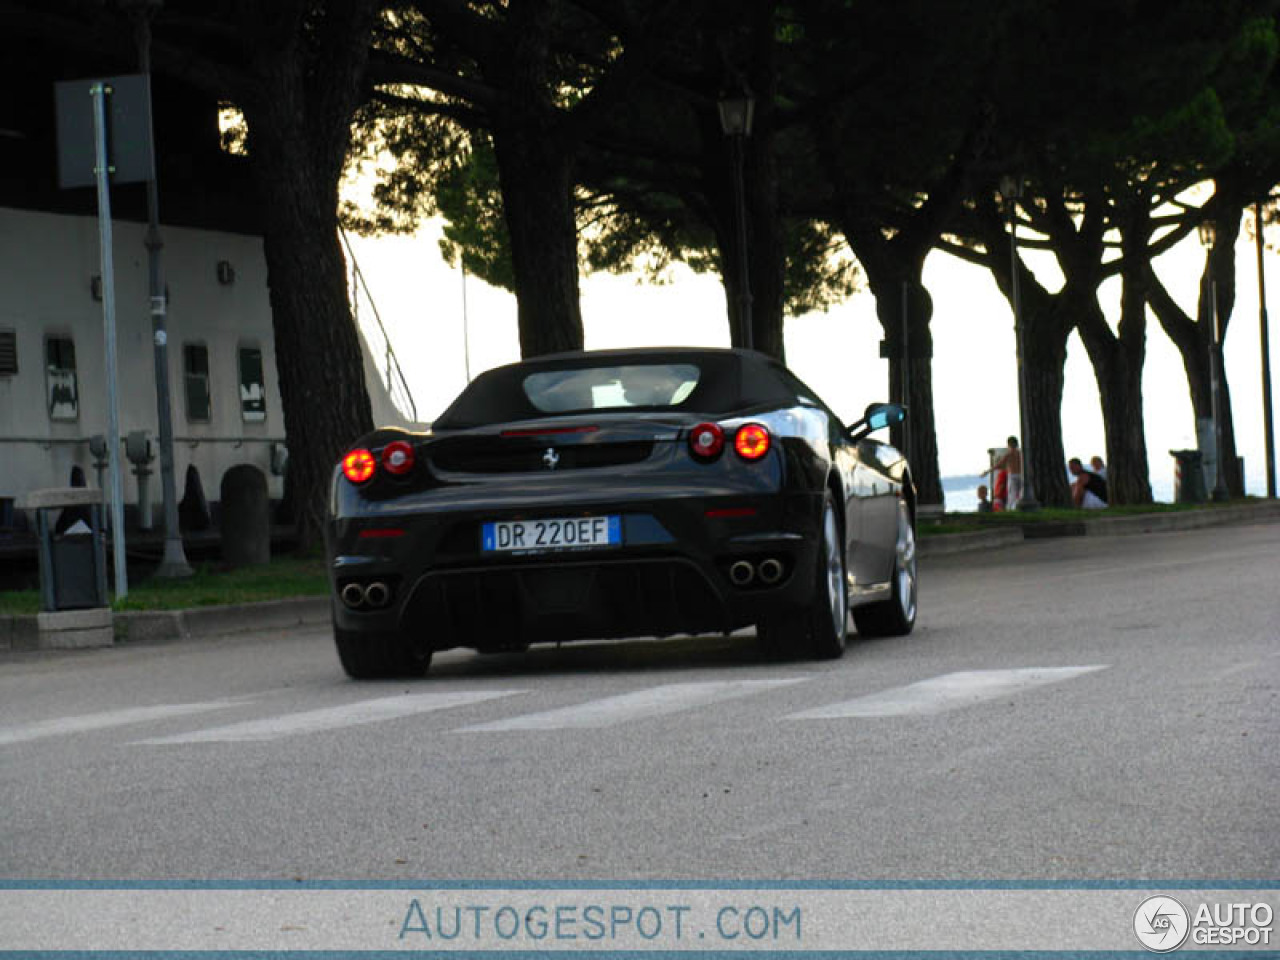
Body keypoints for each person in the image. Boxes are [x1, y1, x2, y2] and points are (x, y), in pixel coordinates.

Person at [987, 437, 1023, 508]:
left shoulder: (1009, 455)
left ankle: (1012, 508)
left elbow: (999, 465)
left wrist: (988, 471)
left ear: (1009, 445)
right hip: (1019, 475)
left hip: (1013, 476)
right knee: (1018, 494)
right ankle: (1016, 507)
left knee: (1012, 494)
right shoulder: (1020, 454)